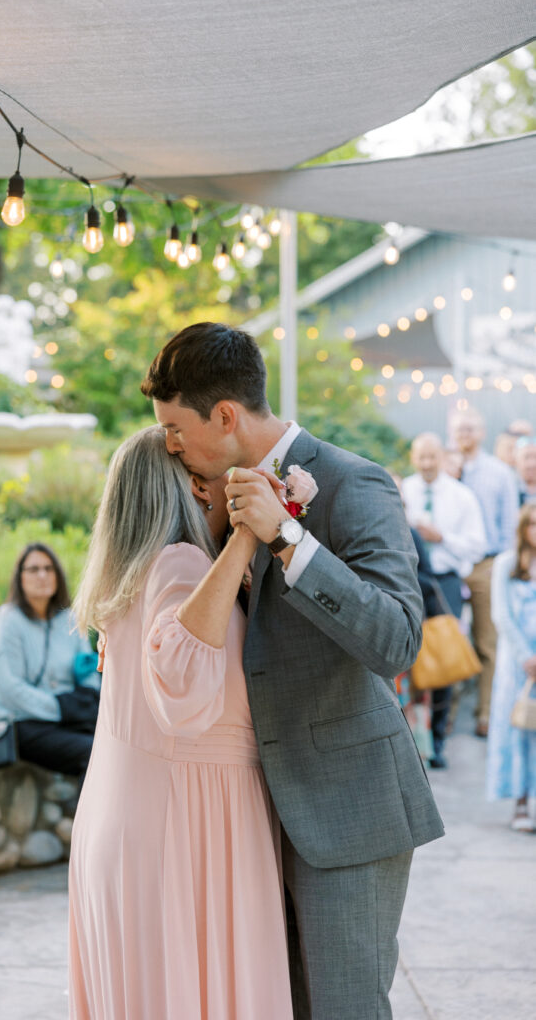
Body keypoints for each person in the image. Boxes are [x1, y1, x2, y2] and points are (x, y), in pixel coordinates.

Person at [141, 322, 444, 1020]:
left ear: (223, 415)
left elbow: (397, 641)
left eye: (174, 426)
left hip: (345, 808)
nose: (169, 443)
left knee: (342, 1008)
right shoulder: (204, 496)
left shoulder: (351, 482)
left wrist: (287, 537)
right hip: (245, 819)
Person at [69, 426, 293, 1020]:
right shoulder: (180, 561)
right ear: (195, 485)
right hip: (189, 823)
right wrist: (246, 538)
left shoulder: (131, 573)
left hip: (127, 818)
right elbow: (182, 684)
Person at [402, 432, 486, 767]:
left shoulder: (461, 496)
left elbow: (477, 545)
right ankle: (414, 741)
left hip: (445, 583)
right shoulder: (404, 489)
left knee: (445, 658)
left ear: (441, 456)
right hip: (410, 580)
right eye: (420, 457)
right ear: (413, 458)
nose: (426, 464)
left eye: (432, 457)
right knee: (412, 658)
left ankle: (438, 740)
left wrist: (442, 537)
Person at [0, 543, 99, 777]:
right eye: (33, 569)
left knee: (122, 747)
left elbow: (90, 674)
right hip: (22, 725)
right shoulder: (7, 621)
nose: (42, 575)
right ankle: (87, 816)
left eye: (48, 568)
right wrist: (60, 707)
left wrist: (78, 703)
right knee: (93, 753)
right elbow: (7, 690)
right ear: (20, 578)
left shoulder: (70, 620)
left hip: (68, 720)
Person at [450, 409, 520, 737]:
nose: (464, 433)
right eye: (459, 429)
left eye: (469, 428)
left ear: (481, 432)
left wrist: (503, 567)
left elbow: (509, 525)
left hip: (486, 565)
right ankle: (444, 719)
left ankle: (486, 714)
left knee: (487, 643)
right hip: (449, 564)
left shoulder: (499, 473)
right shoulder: (445, 468)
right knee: (445, 637)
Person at [486, 504, 536, 830]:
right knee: (519, 728)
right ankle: (520, 802)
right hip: (518, 664)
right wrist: (525, 656)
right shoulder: (506, 563)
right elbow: (500, 615)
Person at [515, 437, 536, 506]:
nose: (532, 463)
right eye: (526, 457)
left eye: (535, 457)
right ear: (516, 460)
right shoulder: (510, 487)